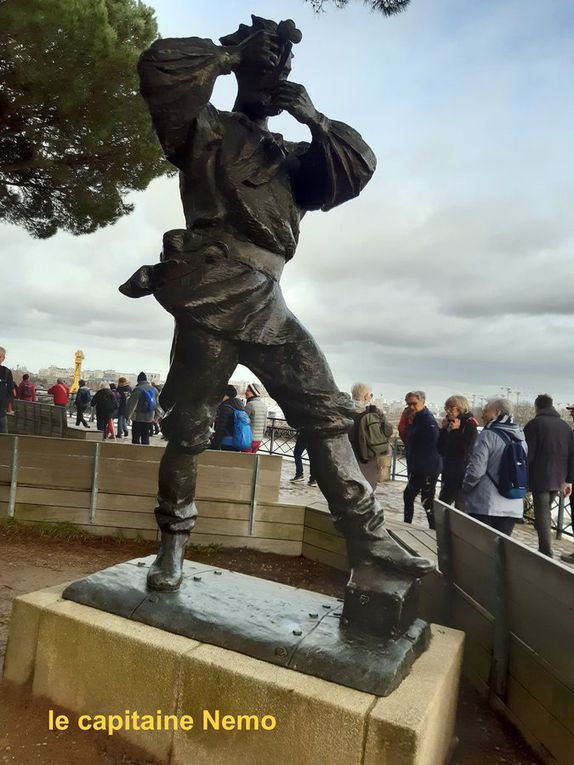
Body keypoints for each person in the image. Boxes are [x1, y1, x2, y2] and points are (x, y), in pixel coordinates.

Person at [120, 17, 433, 590]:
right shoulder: (205, 131)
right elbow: (162, 71)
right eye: (265, 66)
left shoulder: (290, 157)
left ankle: (368, 541)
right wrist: (228, 55)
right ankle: (171, 548)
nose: (275, 77)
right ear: (243, 72)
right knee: (189, 429)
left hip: (267, 297)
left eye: (282, 69)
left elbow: (353, 169)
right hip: (211, 290)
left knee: (322, 412)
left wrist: (313, 119)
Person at [463, 398, 526, 535]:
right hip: (513, 504)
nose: (483, 414)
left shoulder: (487, 435)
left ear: (497, 412)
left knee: (481, 549)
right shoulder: (521, 437)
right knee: (500, 550)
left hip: (486, 504)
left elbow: (476, 471)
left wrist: (466, 486)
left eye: (486, 410)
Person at [523, 394, 574, 558]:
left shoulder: (534, 424)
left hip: (540, 476)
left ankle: (545, 551)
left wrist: (523, 476)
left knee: (543, 514)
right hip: (559, 478)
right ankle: (544, 545)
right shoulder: (565, 427)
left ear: (537, 407)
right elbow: (571, 455)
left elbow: (527, 454)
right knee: (543, 513)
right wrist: (568, 480)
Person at [403, 391, 441, 529]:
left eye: (414, 404)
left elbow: (432, 445)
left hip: (426, 468)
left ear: (422, 402)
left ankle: (433, 528)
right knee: (411, 496)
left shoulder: (427, 420)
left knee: (426, 500)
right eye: (409, 404)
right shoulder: (418, 418)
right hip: (419, 467)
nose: (411, 407)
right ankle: (408, 525)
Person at [437, 395, 479, 511]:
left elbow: (465, 449)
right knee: (441, 505)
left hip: (462, 473)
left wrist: (455, 431)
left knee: (460, 508)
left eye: (451, 408)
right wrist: (444, 430)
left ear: (460, 408)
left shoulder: (469, 424)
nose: (448, 411)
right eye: (446, 408)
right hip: (449, 471)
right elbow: (441, 449)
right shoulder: (450, 423)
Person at [350, 382, 392, 491]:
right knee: (366, 489)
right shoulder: (375, 413)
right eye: (370, 395)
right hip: (368, 457)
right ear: (366, 396)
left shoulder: (346, 412)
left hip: (349, 456)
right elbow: (388, 431)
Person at [211, 385, 249, 451]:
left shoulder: (226, 407)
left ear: (225, 395)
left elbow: (221, 427)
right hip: (238, 440)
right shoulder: (240, 405)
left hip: (226, 442)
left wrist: (214, 445)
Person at [125, 372, 156, 445]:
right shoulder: (154, 389)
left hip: (138, 418)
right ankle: (145, 454)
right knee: (145, 437)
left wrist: (128, 416)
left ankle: (136, 453)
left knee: (136, 437)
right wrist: (158, 417)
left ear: (138, 380)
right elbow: (157, 403)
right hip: (149, 418)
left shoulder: (137, 389)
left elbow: (132, 405)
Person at [244, 383, 268, 453]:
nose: (245, 392)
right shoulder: (264, 405)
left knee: (245, 461)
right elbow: (265, 426)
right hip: (258, 440)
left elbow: (243, 421)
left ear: (254, 392)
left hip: (249, 439)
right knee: (252, 460)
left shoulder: (250, 404)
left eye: (248, 391)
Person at [0, 346, 14, 434]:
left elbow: (10, 391)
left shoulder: (6, 372)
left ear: (3, 358)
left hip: (1, 412)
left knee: (4, 436)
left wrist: (9, 407)